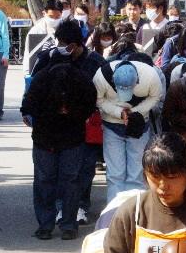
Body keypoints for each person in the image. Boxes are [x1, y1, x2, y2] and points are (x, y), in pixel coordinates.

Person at [30, 20, 106, 225]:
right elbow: (32, 89)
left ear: (76, 44)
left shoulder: (96, 62)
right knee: (48, 174)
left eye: (66, 44)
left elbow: (104, 94)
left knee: (83, 170)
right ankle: (54, 211)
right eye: (59, 43)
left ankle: (79, 207)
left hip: (85, 125)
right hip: (48, 128)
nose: (62, 48)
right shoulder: (46, 59)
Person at [21, 63, 97, 240]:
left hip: (70, 138)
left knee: (65, 180)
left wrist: (71, 113)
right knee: (50, 180)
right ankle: (50, 225)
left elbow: (90, 106)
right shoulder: (42, 81)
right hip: (46, 138)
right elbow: (29, 106)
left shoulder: (81, 82)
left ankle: (65, 224)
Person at [93, 59, 162, 202]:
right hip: (111, 125)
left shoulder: (151, 76)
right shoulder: (101, 76)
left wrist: (135, 112)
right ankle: (115, 213)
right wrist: (118, 112)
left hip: (139, 126)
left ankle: (136, 211)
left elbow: (155, 97)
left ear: (136, 82)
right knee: (115, 173)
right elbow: (98, 100)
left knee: (136, 172)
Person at [23, 0, 63, 76]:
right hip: (40, 73)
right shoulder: (36, 30)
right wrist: (27, 73)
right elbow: (29, 54)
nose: (54, 20)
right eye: (51, 16)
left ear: (61, 14)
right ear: (44, 13)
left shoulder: (67, 28)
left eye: (57, 17)